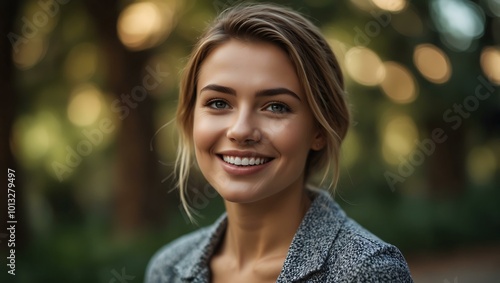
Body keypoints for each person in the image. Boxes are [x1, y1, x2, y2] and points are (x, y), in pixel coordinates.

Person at [146, 3, 413, 282]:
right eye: (218, 102)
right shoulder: (167, 269)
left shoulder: (367, 271)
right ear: (191, 119)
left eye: (276, 107)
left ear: (320, 130)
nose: (240, 130)